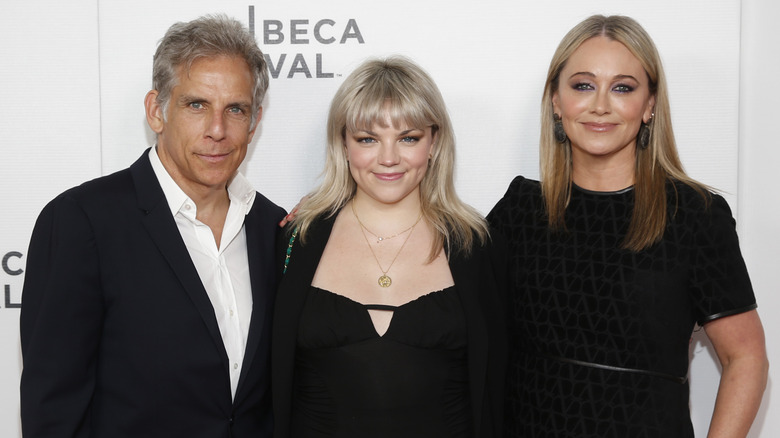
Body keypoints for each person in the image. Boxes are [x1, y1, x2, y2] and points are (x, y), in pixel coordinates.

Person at [487, 15, 769, 438]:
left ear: (650, 104)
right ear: (556, 101)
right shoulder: (520, 209)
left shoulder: (694, 216)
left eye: (623, 87)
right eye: (583, 85)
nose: (601, 104)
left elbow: (746, 357)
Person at [20, 15, 285, 437]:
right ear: (156, 111)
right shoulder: (82, 221)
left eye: (235, 109)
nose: (217, 130)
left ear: (253, 123)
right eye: (196, 105)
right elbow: (53, 409)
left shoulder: (275, 229)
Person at [272, 56, 507, 438]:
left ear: (434, 142)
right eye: (368, 138)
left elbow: (498, 385)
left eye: (408, 138)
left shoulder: (475, 244)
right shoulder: (295, 240)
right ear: (343, 144)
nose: (388, 158)